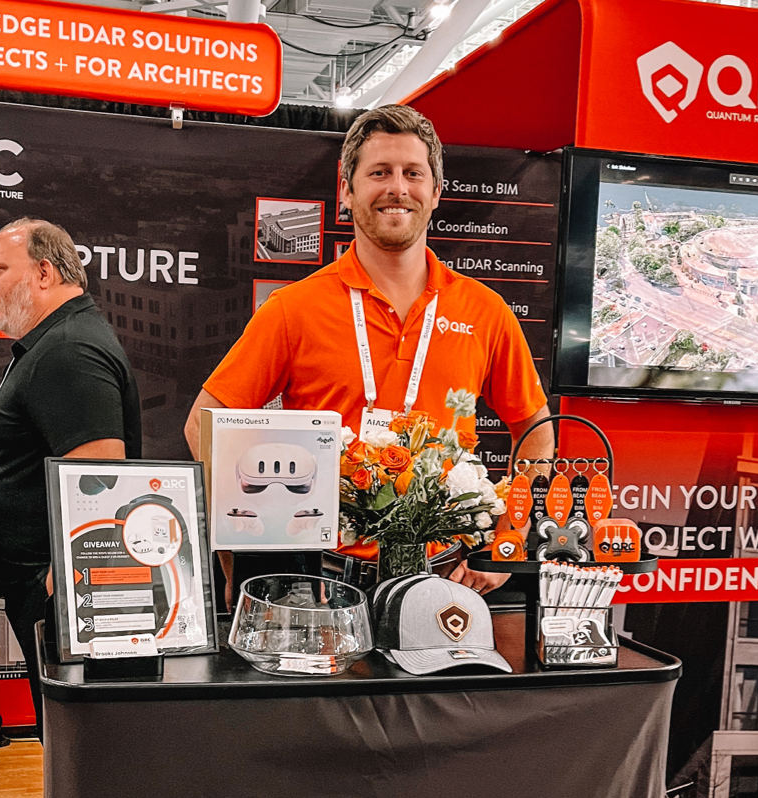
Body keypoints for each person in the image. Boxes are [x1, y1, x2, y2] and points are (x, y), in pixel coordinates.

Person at [185, 105, 555, 605]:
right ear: (347, 191)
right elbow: (204, 425)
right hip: (321, 584)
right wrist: (245, 549)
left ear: (436, 192)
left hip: (446, 580)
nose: (397, 188)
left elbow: (535, 430)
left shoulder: (484, 311)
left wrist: (509, 538)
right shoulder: (294, 309)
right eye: (379, 172)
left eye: (412, 173)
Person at [0, 218, 142, 738]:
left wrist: (52, 592)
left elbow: (102, 485)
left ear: (44, 273)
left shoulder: (68, 349)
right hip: (53, 599)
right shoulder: (56, 342)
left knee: (78, 746)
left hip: (62, 604)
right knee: (67, 743)